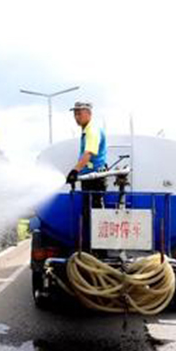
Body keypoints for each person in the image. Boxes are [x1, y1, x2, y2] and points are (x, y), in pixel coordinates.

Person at [66, 101, 107, 252]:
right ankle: (91, 248)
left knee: (94, 215)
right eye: (75, 113)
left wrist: (75, 171)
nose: (76, 116)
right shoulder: (86, 130)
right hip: (90, 178)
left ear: (89, 113)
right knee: (89, 214)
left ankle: (97, 250)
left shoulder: (92, 130)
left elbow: (88, 153)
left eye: (79, 113)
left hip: (94, 179)